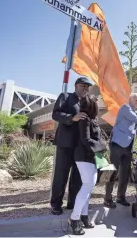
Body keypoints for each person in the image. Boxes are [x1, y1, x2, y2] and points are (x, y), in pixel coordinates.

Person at [50, 76, 94, 215]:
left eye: (87, 87)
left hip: (80, 145)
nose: (85, 88)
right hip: (65, 143)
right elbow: (55, 114)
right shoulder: (65, 96)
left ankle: (72, 203)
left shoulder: (87, 102)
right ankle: (56, 204)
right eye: (83, 86)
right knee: (61, 174)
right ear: (76, 86)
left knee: (77, 176)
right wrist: (71, 118)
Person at [104, 93, 137, 208]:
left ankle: (121, 197)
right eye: (136, 100)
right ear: (130, 99)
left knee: (125, 173)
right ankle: (107, 198)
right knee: (113, 171)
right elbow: (134, 119)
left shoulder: (135, 114)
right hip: (117, 145)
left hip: (128, 147)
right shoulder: (125, 108)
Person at [68, 95, 106, 235]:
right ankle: (74, 218)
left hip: (91, 157)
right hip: (84, 156)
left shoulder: (91, 120)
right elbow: (85, 140)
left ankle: (83, 216)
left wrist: (101, 146)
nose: (98, 106)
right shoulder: (84, 119)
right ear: (92, 106)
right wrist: (102, 146)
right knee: (87, 186)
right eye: (96, 103)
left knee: (89, 186)